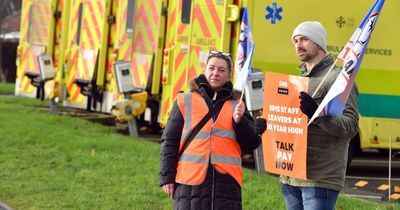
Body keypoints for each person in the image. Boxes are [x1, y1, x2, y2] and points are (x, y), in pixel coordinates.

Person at [261, 21, 359, 209]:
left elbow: (351, 127)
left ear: (319, 43)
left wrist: (318, 114)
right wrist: (266, 126)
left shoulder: (339, 80)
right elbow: (288, 123)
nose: (298, 44)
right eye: (295, 41)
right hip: (290, 178)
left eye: (304, 39)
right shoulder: (297, 81)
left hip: (319, 179)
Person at [159, 50, 264, 210]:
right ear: (204, 69)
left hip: (226, 186)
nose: (215, 73)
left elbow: (252, 144)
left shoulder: (238, 105)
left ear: (229, 75)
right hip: (190, 183)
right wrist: (167, 178)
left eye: (221, 70)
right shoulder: (184, 100)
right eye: (211, 68)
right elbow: (170, 141)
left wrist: (240, 121)